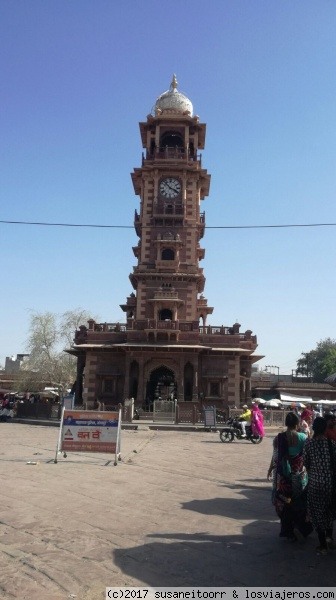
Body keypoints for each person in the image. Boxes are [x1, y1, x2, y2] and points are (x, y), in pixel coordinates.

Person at [267, 411, 312, 542]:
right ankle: (299, 525)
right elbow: (308, 456)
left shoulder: (279, 438)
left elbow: (275, 456)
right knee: (298, 502)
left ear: (286, 423)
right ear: (298, 423)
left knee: (286, 502)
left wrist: (270, 468)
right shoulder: (303, 437)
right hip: (299, 477)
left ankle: (289, 530)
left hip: (284, 478)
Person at [303, 416, 336, 554]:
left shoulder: (309, 444)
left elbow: (306, 463)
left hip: (315, 484)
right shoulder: (331, 444)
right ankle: (329, 537)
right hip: (330, 483)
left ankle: (322, 545)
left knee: (317, 514)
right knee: (329, 511)